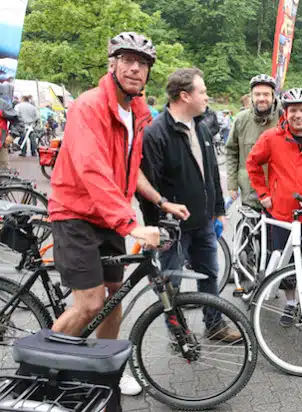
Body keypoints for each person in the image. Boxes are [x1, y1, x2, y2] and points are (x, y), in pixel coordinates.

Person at [48, 32, 190, 396]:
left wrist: (161, 202)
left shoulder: (136, 113)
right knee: (91, 302)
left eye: (142, 63)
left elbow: (131, 171)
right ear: (112, 64)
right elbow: (91, 168)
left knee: (114, 297)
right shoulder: (90, 106)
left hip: (107, 216)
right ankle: (42, 365)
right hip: (75, 214)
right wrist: (131, 224)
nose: (134, 68)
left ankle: (105, 369)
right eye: (127, 60)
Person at [139, 68, 239, 342]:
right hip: (172, 227)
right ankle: (179, 333)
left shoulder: (202, 127)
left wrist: (218, 211)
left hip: (204, 222)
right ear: (184, 96)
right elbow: (147, 185)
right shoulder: (156, 133)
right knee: (171, 282)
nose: (207, 97)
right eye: (203, 91)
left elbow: (211, 176)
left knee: (209, 275)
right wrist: (155, 228)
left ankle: (214, 326)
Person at [246, 88, 302, 331]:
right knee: (285, 261)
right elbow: (253, 163)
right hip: (282, 213)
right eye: (293, 110)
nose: (298, 115)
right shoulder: (271, 138)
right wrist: (264, 194)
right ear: (285, 113)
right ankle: (290, 303)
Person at [226, 74, 281, 210]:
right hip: (249, 192)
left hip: (278, 193)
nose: (261, 98)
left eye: (266, 94)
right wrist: (232, 184)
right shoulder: (241, 120)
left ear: (273, 96)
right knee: (249, 230)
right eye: (257, 94)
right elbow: (231, 152)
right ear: (251, 96)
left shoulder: (284, 119)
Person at [0, 97, 17, 168]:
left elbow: (17, 120)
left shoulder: (1, 104)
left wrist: (12, 135)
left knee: (4, 173)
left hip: (1, 146)